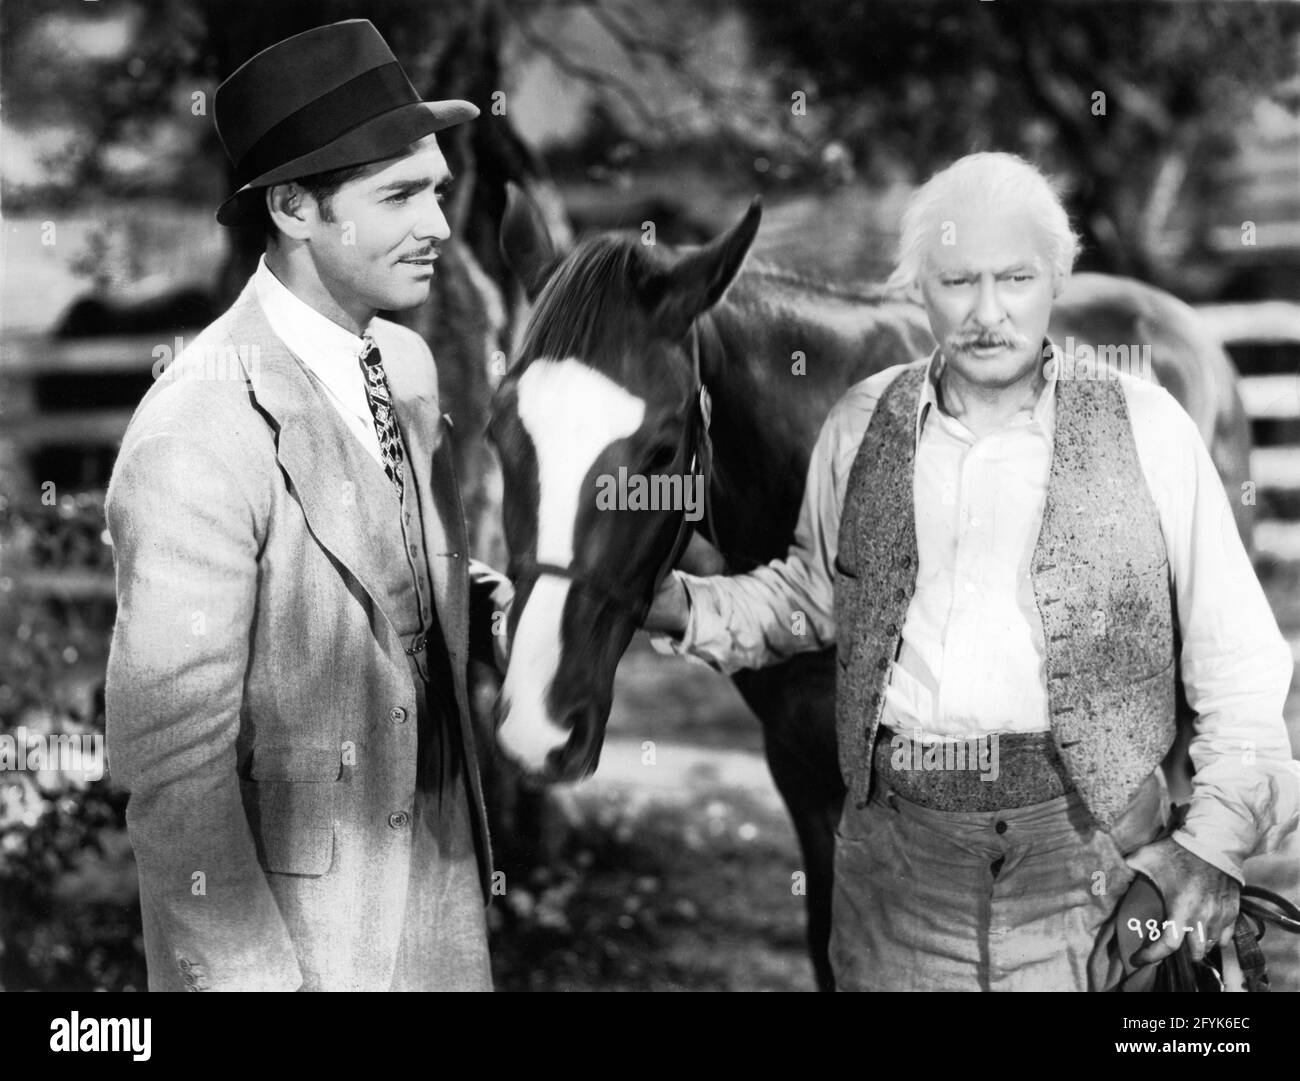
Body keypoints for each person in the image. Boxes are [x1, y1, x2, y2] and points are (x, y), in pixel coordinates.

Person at [647, 151, 1299, 991]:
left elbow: (1238, 663)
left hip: (1087, 861)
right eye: (957, 281)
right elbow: (812, 598)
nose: (988, 312)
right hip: (898, 874)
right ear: (917, 289)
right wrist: (667, 603)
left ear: (1056, 280)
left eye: (1016, 277)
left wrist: (1210, 848)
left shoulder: (1148, 426)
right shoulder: (860, 425)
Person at [105, 19, 510, 991]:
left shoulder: (403, 367)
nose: (441, 230)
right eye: (400, 196)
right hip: (305, 945)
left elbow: (386, 567)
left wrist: (482, 607)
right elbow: (172, 775)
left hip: (442, 902)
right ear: (293, 209)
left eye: (438, 193)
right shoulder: (195, 433)